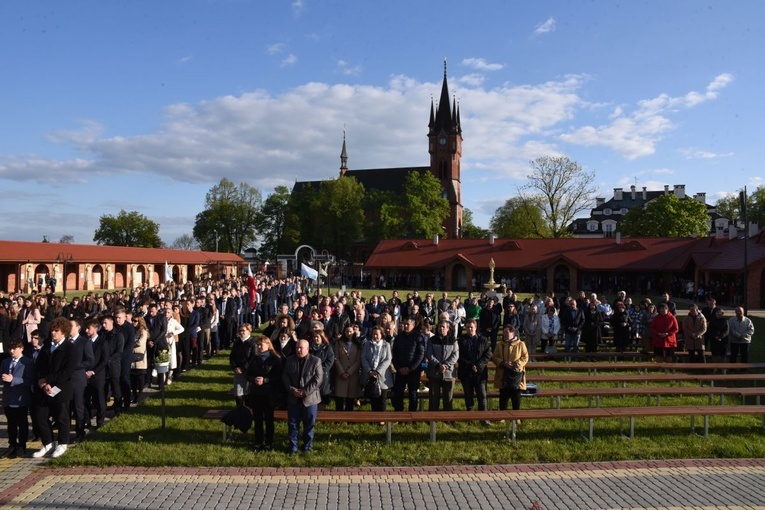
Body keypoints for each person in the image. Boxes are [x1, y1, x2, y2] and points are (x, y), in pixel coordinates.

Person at [32, 317, 77, 459]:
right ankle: (48, 443)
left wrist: (49, 381)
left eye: (56, 331)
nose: (53, 333)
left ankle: (63, 443)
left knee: (61, 417)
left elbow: (67, 371)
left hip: (60, 388)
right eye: (52, 330)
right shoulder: (46, 346)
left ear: (63, 332)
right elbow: (38, 366)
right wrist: (42, 382)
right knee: (40, 416)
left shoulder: (70, 348)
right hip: (44, 387)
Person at [282, 339, 323, 454]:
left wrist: (305, 392)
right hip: (293, 398)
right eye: (297, 348)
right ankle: (293, 446)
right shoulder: (289, 360)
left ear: (307, 348)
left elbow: (318, 379)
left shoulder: (316, 361)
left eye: (301, 348)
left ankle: (307, 447)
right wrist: (292, 390)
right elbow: (285, 376)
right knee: (293, 424)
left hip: (310, 399)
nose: (298, 350)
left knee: (309, 425)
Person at [247, 336, 282, 452]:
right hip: (256, 393)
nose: (259, 347)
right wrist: (254, 379)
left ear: (268, 345)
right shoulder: (254, 359)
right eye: (258, 345)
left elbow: (278, 376)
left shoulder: (275, 359)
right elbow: (247, 375)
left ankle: (269, 442)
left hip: (269, 394)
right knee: (257, 420)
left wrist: (265, 380)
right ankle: (258, 442)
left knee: (268, 419)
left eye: (261, 345)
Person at [2, 340, 34, 458]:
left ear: (21, 349)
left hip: (21, 399)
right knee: (11, 424)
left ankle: (22, 445)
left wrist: (13, 380)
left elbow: (30, 380)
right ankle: (12, 445)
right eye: (10, 349)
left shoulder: (27, 362)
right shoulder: (6, 362)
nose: (12, 351)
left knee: (22, 423)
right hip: (8, 398)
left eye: (14, 349)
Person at [457, 318, 492, 425]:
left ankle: (484, 419)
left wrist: (478, 365)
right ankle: (470, 418)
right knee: (468, 396)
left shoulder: (483, 340)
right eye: (467, 327)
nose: (469, 329)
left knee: (482, 396)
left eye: (471, 327)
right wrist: (470, 365)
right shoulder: (461, 340)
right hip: (466, 372)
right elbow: (459, 356)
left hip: (480, 373)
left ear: (476, 328)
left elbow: (487, 355)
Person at [491, 325, 528, 414]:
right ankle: (502, 415)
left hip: (516, 375)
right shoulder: (500, 345)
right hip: (503, 374)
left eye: (507, 332)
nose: (505, 334)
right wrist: (503, 363)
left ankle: (517, 416)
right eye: (504, 332)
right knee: (503, 396)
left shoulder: (521, 344)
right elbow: (495, 357)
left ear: (513, 333)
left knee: (516, 397)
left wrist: (515, 365)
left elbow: (525, 357)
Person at [391, 317, 425, 412]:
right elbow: (395, 354)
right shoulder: (398, 337)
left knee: (413, 394)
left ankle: (412, 417)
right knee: (398, 393)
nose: (405, 326)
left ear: (413, 325)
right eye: (404, 324)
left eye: (408, 324)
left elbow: (420, 355)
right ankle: (399, 415)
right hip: (400, 370)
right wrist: (399, 368)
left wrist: (410, 368)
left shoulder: (418, 337)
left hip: (413, 371)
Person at [425, 320, 459, 411]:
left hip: (449, 373)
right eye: (440, 326)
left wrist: (446, 365)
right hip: (434, 372)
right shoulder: (432, 340)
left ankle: (447, 417)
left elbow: (455, 355)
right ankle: (432, 418)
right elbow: (429, 354)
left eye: (443, 327)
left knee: (448, 397)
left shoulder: (453, 340)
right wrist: (438, 365)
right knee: (433, 396)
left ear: (448, 329)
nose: (441, 328)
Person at [361, 326, 394, 412]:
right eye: (373, 334)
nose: (375, 336)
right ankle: (374, 417)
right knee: (373, 398)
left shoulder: (386, 345)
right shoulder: (367, 344)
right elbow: (363, 357)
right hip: (370, 375)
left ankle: (382, 419)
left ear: (381, 335)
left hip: (382, 375)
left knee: (382, 399)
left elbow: (388, 359)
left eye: (377, 334)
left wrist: (378, 371)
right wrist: (369, 370)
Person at [333, 324, 362, 411]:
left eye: (351, 332)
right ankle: (338, 419)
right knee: (339, 398)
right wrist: (342, 372)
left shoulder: (358, 345)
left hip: (352, 374)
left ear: (354, 332)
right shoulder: (338, 343)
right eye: (347, 331)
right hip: (341, 374)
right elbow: (336, 358)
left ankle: (349, 417)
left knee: (350, 397)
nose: (349, 333)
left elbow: (358, 360)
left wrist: (349, 372)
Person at [230, 323, 255, 407]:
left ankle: (248, 412)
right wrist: (235, 367)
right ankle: (239, 411)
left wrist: (243, 369)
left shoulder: (253, 343)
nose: (241, 333)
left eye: (243, 331)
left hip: (249, 372)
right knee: (238, 393)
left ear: (249, 331)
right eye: (240, 331)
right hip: (238, 372)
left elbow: (253, 358)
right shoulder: (237, 342)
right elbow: (232, 357)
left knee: (248, 393)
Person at [308, 329, 334, 409]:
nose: (315, 338)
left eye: (317, 337)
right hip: (310, 375)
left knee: (323, 396)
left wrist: (319, 370)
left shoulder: (327, 348)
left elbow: (330, 361)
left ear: (322, 337)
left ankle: (321, 416)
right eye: (314, 337)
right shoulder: (309, 347)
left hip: (323, 375)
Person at [129, 316, 149, 404]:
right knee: (133, 377)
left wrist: (132, 343)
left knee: (140, 377)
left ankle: (139, 395)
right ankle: (134, 394)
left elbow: (140, 342)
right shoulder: (134, 331)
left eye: (135, 321)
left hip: (140, 356)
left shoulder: (143, 331)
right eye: (132, 320)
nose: (133, 322)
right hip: (133, 356)